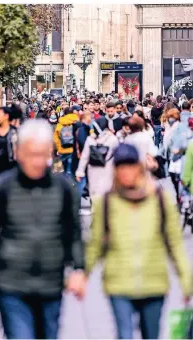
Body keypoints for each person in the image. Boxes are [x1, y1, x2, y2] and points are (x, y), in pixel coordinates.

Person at [0, 119, 85, 340]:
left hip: (51, 282)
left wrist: (79, 269)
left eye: (42, 154)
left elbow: (73, 232)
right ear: (18, 153)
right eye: (31, 154)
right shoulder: (3, 186)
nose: (37, 161)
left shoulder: (63, 189)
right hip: (12, 282)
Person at [85, 143, 192, 339]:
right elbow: (96, 244)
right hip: (118, 283)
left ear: (140, 167)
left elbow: (175, 244)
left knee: (151, 335)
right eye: (121, 166)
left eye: (130, 165)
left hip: (154, 282)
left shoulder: (160, 199)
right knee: (124, 335)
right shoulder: (106, 202)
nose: (126, 171)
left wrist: (186, 280)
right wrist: (82, 273)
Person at [76, 117, 119, 198]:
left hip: (92, 169)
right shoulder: (113, 139)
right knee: (107, 192)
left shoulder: (90, 139)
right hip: (108, 169)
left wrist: (80, 171)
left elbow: (85, 156)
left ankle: (95, 208)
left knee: (94, 191)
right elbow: (117, 156)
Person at [53, 107, 78, 177]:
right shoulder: (77, 121)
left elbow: (55, 138)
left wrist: (59, 148)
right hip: (74, 150)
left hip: (63, 150)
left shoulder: (60, 123)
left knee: (62, 171)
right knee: (73, 171)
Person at [72, 110, 92, 198]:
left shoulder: (82, 127)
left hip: (79, 157)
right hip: (80, 158)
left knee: (81, 181)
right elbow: (82, 143)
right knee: (81, 181)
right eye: (89, 117)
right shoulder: (82, 128)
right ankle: (78, 205)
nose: (91, 119)